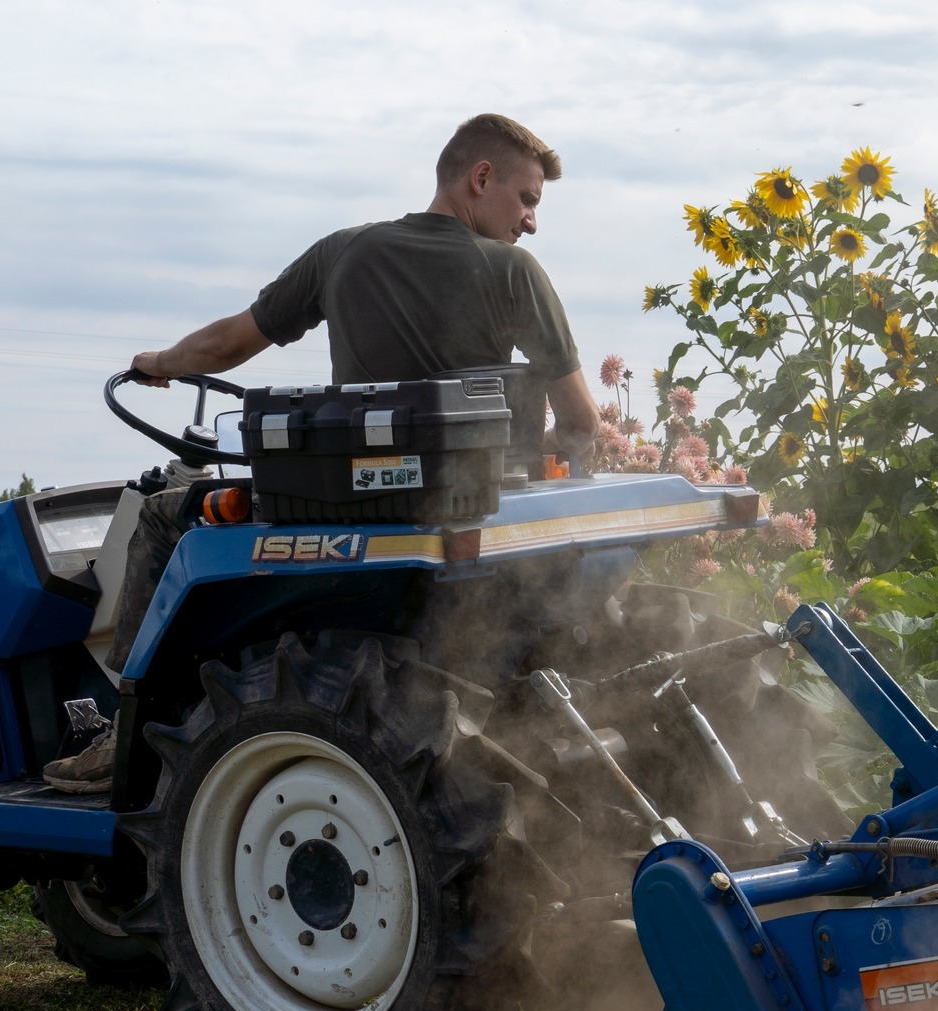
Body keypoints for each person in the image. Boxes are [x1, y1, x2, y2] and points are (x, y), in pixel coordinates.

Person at [45, 113, 599, 793]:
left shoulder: (343, 252)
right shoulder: (516, 272)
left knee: (166, 514)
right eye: (528, 199)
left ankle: (127, 730)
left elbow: (225, 347)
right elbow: (581, 421)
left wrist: (160, 360)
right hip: (468, 512)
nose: (532, 221)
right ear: (481, 178)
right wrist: (523, 460)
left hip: (354, 510)